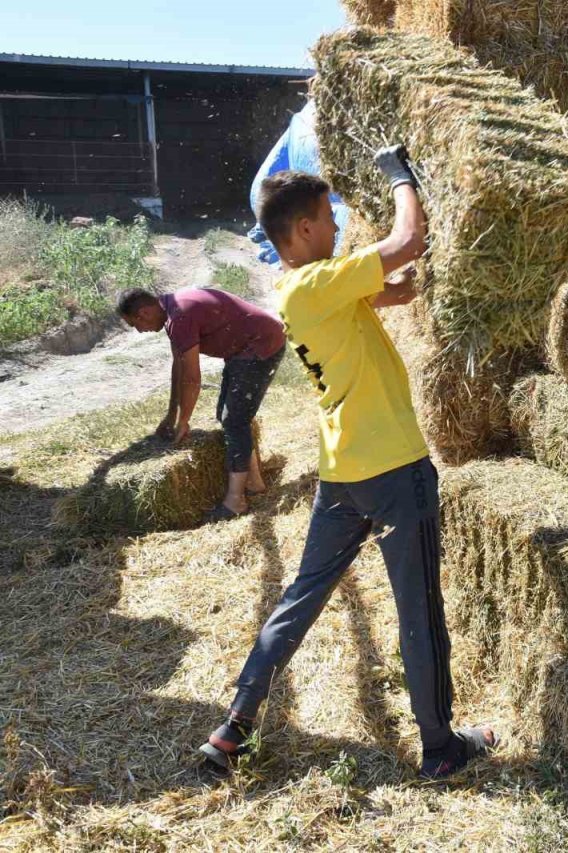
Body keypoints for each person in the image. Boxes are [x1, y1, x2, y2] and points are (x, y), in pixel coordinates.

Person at [198, 146, 497, 781]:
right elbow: (407, 240)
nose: (337, 227)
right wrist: (400, 177)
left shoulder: (301, 289)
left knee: (300, 597)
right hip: (393, 469)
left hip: (342, 475)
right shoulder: (317, 282)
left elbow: (396, 288)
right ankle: (441, 746)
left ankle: (235, 728)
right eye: (329, 218)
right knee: (419, 607)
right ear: (302, 229)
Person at [118, 284, 285, 521]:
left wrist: (184, 421)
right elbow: (179, 367)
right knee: (229, 416)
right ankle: (255, 483)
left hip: (260, 344)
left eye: (135, 324)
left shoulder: (180, 315)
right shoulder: (172, 313)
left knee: (233, 420)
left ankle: (235, 501)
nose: (139, 331)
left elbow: (192, 379)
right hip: (243, 350)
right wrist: (171, 414)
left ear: (143, 313)